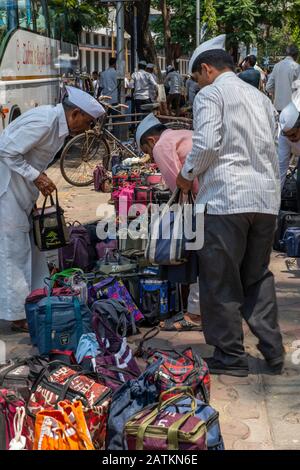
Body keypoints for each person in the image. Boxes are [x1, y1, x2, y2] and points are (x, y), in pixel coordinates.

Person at [176, 35, 284, 377]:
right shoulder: (260, 97)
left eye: (196, 78)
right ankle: (273, 350)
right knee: (257, 277)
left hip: (226, 200)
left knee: (219, 280)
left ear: (207, 70)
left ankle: (230, 356)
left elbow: (206, 143)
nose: (197, 85)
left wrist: (185, 174)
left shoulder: (211, 94)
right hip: (265, 200)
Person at [0, 87, 105, 331]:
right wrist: (36, 176)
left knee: (34, 250)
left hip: (21, 193)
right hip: (7, 191)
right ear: (75, 114)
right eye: (87, 122)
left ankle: (36, 301)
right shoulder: (45, 121)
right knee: (13, 252)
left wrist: (35, 181)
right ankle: (17, 315)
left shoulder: (58, 127)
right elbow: (6, 149)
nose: (87, 129)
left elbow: (30, 158)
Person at [135, 113, 201, 331]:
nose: (151, 157)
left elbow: (179, 184)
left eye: (147, 151)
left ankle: (195, 313)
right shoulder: (183, 134)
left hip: (202, 202)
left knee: (199, 254)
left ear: (151, 141)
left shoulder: (161, 145)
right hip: (220, 195)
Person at [277, 101, 300, 209]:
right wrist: (276, 199)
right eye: (287, 136)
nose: (291, 139)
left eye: (294, 134)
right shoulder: (283, 136)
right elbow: (281, 166)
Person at [266, 45, 300, 112]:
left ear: (286, 54)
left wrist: (278, 92)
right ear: (296, 55)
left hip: (278, 107)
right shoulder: (297, 67)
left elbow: (268, 87)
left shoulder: (277, 66)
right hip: (293, 108)